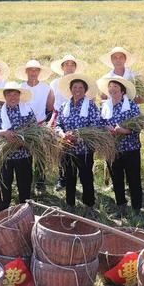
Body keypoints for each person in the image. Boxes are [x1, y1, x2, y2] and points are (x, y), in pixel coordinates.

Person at [55, 74, 101, 216]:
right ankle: (70, 204)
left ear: (85, 90)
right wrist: (63, 135)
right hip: (68, 149)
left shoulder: (91, 106)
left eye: (81, 87)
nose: (77, 90)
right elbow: (58, 125)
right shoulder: (64, 106)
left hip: (85, 150)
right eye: (75, 87)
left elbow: (95, 126)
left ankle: (89, 205)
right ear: (70, 89)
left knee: (86, 177)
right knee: (69, 177)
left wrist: (77, 136)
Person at [97, 75, 143, 217]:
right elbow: (99, 124)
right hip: (112, 149)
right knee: (116, 179)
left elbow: (139, 126)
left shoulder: (132, 106)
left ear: (122, 91)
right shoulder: (104, 106)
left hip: (131, 148)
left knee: (133, 178)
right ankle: (121, 206)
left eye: (116, 87)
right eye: (110, 88)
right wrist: (106, 130)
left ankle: (136, 208)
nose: (112, 90)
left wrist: (124, 131)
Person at [0, 82, 37, 211]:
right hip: (5, 155)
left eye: (16, 94)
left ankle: (25, 209)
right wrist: (2, 133)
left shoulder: (27, 111)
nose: (13, 97)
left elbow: (35, 130)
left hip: (24, 154)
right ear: (5, 96)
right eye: (9, 94)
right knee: (4, 183)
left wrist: (23, 141)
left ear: (20, 96)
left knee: (24, 183)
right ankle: (3, 209)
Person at [49, 54, 88, 191]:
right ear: (62, 67)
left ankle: (82, 179)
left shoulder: (81, 81)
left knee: (79, 147)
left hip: (78, 117)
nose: (69, 67)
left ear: (75, 67)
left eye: (72, 64)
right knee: (62, 149)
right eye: (66, 64)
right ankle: (62, 178)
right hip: (61, 117)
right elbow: (51, 102)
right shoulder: (54, 83)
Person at [17, 59, 54, 194]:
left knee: (40, 157)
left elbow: (50, 107)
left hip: (39, 126)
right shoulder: (19, 87)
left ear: (39, 72)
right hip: (24, 128)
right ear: (26, 72)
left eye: (36, 70)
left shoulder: (46, 88)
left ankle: (40, 183)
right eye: (30, 70)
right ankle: (27, 184)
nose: (33, 72)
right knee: (25, 156)